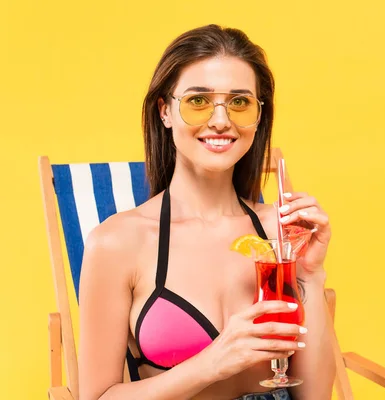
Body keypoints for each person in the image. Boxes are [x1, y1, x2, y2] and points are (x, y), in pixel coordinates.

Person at [77, 24, 335, 400]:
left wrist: (310, 275)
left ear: (259, 116)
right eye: (198, 101)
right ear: (165, 111)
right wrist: (212, 363)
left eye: (239, 102)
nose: (220, 120)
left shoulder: (279, 231)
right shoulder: (118, 242)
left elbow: (313, 397)